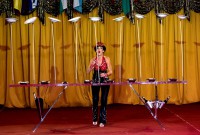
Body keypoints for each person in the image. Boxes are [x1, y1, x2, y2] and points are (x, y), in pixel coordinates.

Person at [87, 42, 112, 127]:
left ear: (103, 50)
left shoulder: (107, 59)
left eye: (101, 48)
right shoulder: (93, 59)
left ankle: (102, 120)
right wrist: (91, 65)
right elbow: (87, 71)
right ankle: (94, 118)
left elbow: (111, 71)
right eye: (97, 48)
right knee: (95, 99)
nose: (99, 50)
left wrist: (106, 74)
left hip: (104, 79)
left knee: (104, 99)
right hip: (95, 79)